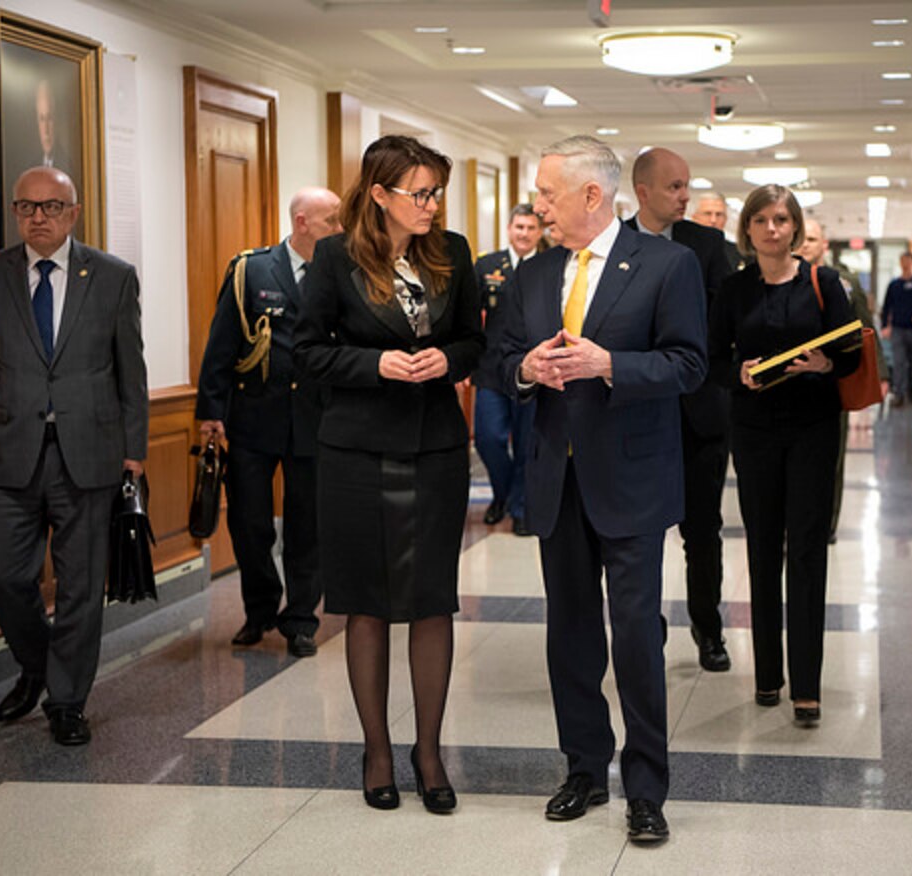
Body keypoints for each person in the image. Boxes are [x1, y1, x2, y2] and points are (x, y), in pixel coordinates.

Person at [498, 135, 707, 843]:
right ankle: (583, 769)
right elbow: (501, 360)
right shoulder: (532, 275)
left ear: (592, 194)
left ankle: (646, 789)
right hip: (557, 480)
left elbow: (688, 365)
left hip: (634, 481)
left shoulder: (667, 265)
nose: (537, 207)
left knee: (638, 640)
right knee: (572, 635)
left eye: (547, 195)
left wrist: (611, 363)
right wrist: (526, 370)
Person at [294, 135, 483, 814]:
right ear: (379, 195)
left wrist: (448, 360)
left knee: (432, 600)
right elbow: (308, 352)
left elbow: (473, 338)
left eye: (436, 192)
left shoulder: (451, 252)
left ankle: (428, 752)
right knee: (366, 602)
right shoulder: (334, 258)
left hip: (434, 446)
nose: (432, 205)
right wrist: (374, 366)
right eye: (420, 193)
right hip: (354, 451)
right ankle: (377, 750)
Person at [0, 167, 147, 746]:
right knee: (3, 571)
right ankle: (38, 664)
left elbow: (130, 369)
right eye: (26, 206)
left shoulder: (112, 277)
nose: (37, 217)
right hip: (7, 451)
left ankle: (67, 701)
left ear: (74, 211)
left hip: (88, 452)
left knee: (82, 584)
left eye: (50, 206)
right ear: (16, 213)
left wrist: (135, 449)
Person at [708, 185, 860, 728]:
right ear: (747, 230)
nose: (773, 229)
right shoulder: (732, 289)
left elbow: (851, 355)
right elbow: (711, 361)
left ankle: (808, 687)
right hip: (753, 429)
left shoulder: (823, 283)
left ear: (795, 228)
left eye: (782, 219)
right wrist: (740, 374)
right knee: (763, 548)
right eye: (762, 220)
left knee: (807, 551)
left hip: (814, 428)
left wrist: (823, 365)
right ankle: (768, 675)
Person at [196, 186, 341, 657]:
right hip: (254, 417)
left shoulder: (340, 272)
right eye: (331, 222)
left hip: (314, 419)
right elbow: (223, 342)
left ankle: (300, 619)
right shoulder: (251, 270)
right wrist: (210, 412)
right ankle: (259, 610)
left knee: (308, 525)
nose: (340, 230)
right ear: (302, 222)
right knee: (249, 523)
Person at [626, 147, 733, 672]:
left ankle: (708, 629)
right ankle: (646, 628)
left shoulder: (708, 245)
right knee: (637, 533)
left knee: (701, 531)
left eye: (687, 185)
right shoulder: (614, 243)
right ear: (642, 191)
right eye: (674, 187)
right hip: (632, 412)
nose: (685, 196)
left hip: (698, 413)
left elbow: (718, 324)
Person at [796, 219, 889, 543]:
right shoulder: (781, 279)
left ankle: (826, 525)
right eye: (801, 238)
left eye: (811, 238)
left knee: (830, 458)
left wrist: (881, 373)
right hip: (791, 383)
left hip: (834, 380)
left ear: (824, 244)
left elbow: (866, 329)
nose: (805, 244)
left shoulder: (844, 282)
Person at [473, 203, 541, 536]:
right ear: (509, 229)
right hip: (491, 370)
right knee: (488, 439)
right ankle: (503, 493)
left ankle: (519, 507)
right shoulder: (488, 265)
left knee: (528, 443)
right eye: (519, 227)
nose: (524, 234)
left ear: (539, 232)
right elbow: (471, 317)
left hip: (533, 370)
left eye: (531, 228)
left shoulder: (550, 265)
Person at [880, 251, 912, 407]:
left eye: (908, 261)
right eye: (903, 261)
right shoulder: (894, 285)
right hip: (898, 329)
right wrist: (884, 326)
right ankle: (899, 393)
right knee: (899, 362)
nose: (905, 264)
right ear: (900, 263)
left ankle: (911, 390)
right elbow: (886, 307)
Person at [690, 190, 743, 272]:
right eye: (707, 214)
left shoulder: (738, 253)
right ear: (694, 218)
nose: (713, 220)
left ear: (725, 219)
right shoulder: (681, 250)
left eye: (719, 215)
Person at [32, 80, 72, 174]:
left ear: (58, 120)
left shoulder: (68, 166)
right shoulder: (33, 168)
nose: (46, 130)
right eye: (42, 119)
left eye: (49, 118)